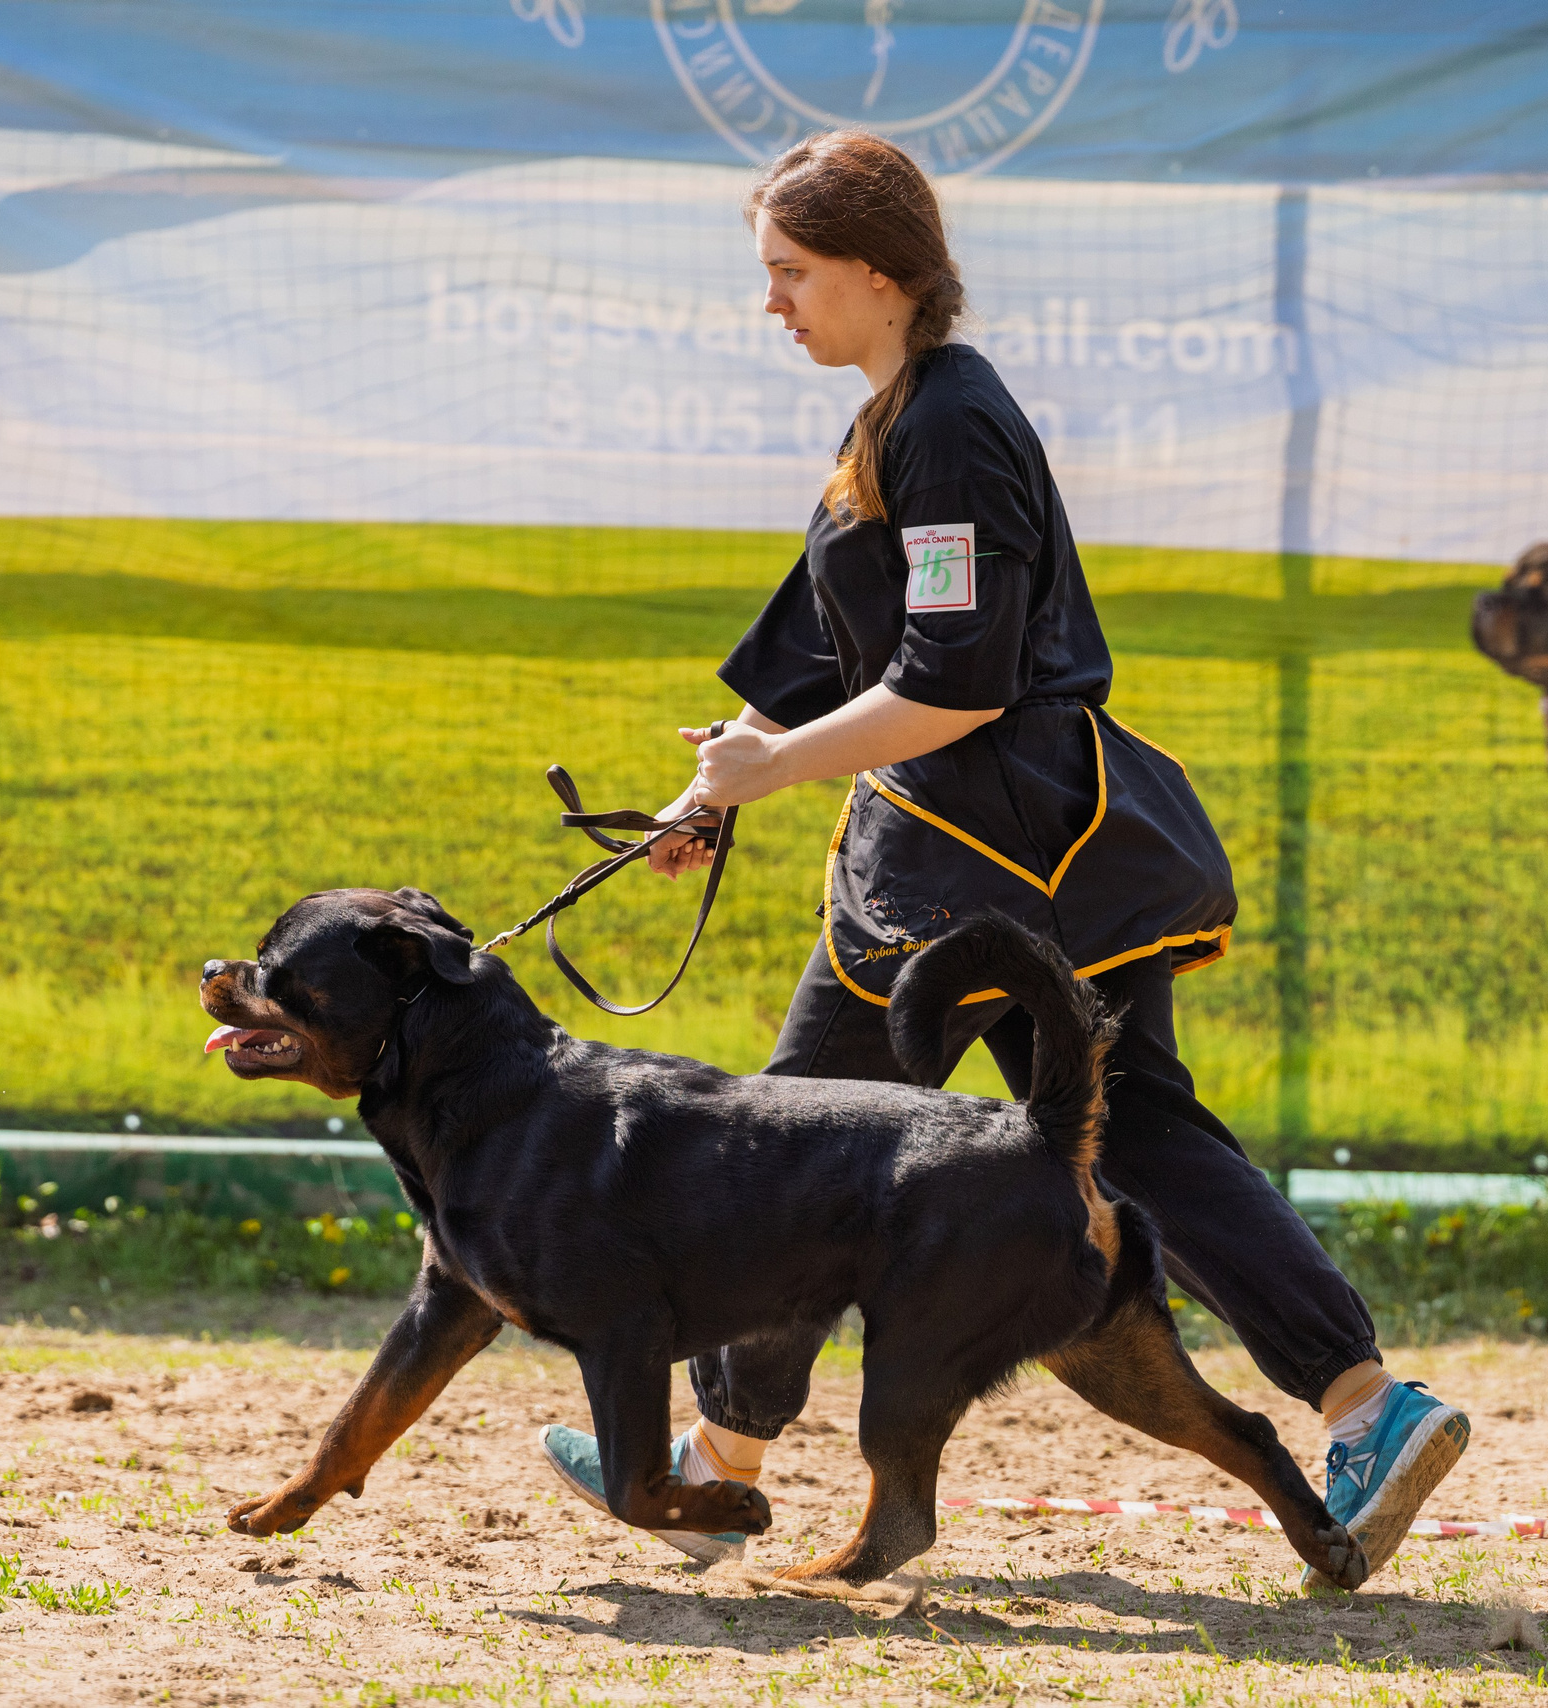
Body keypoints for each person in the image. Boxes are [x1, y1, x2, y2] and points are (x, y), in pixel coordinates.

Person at [537, 129, 1467, 1590]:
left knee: (791, 1146)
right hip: (1032, 850)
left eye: (790, 271)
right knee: (1133, 1126)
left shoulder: (952, 426)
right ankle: (1367, 1407)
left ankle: (712, 1462)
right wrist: (711, 789)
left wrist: (772, 769)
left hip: (967, 858)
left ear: (878, 270)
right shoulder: (897, 419)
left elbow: (957, 683)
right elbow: (819, 653)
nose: (770, 300)